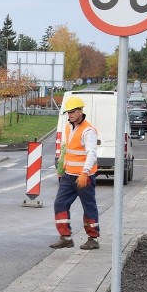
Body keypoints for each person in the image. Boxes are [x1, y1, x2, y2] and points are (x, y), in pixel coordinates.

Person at [51, 96, 100, 250]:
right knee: (60, 203)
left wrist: (85, 173)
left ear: (80, 111)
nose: (70, 115)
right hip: (68, 175)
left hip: (83, 177)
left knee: (88, 207)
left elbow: (91, 153)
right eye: (68, 112)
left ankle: (93, 238)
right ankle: (65, 237)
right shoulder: (68, 127)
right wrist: (62, 168)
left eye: (72, 112)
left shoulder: (88, 130)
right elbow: (68, 150)